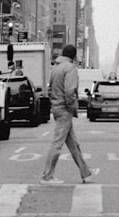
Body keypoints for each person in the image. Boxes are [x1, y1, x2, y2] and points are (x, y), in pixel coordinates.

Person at [40, 44, 99, 184]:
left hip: (57, 107)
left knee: (73, 144)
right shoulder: (70, 68)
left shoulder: (56, 68)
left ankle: (86, 173)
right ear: (73, 56)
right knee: (57, 143)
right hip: (64, 109)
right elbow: (69, 91)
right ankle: (47, 176)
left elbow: (50, 89)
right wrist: (72, 106)